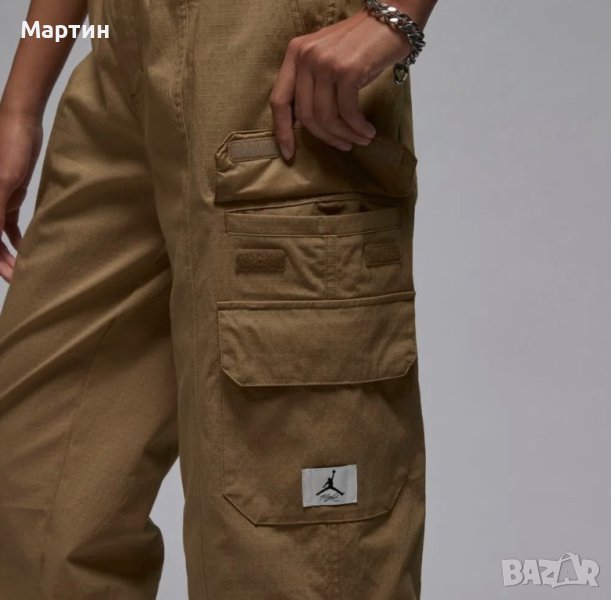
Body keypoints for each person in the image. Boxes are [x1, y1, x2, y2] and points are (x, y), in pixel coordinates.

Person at [0, 0, 437, 597]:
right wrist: (21, 103)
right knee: (37, 511)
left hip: (279, 69)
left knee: (290, 548)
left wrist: (398, 16)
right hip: (119, 63)